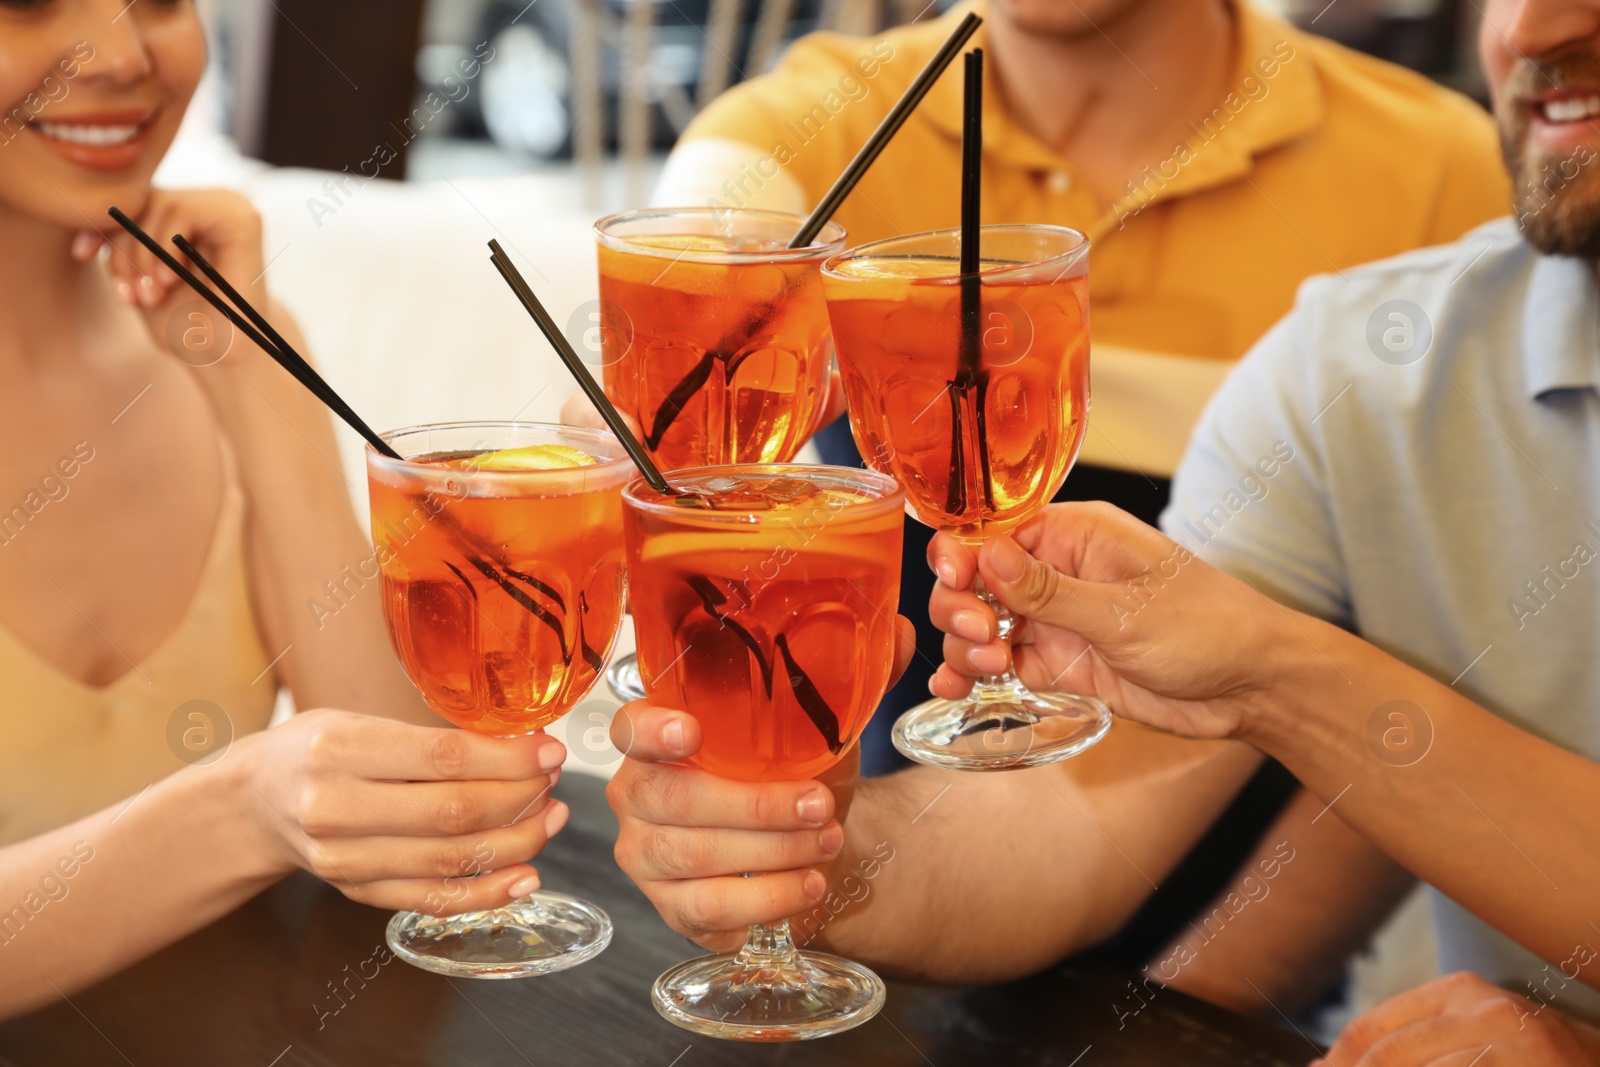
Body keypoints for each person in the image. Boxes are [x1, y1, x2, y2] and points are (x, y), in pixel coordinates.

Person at [606, 0, 1600, 1050]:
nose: (1531, 25)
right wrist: (810, 856)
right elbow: (1076, 822)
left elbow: (1364, 749)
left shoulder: (1416, 189)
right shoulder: (1352, 355)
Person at [651, 0, 1512, 772]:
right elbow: (697, 262)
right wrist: (666, 390)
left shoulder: (1443, 164)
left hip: (1257, 879)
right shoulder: (814, 121)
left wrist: (1238, 958)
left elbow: (1477, 646)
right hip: (896, 835)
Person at [0, 0, 562, 1018]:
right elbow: (289, 805)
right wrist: (242, 811)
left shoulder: (212, 340)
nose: (125, 55)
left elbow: (420, 827)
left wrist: (261, 375)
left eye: (158, 0)